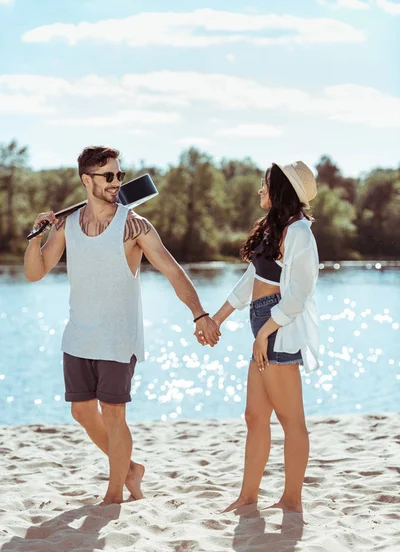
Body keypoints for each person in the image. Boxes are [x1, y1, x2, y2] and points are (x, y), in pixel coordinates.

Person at [24, 145, 221, 505]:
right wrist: (37, 235)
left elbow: (172, 270)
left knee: (114, 415)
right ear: (87, 180)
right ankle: (129, 468)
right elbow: (35, 273)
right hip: (78, 335)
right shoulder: (68, 225)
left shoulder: (134, 225)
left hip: (117, 337)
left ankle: (115, 492)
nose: (116, 182)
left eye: (120, 175)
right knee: (81, 411)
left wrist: (199, 313)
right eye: (108, 176)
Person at [208, 160, 320, 513]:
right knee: (255, 417)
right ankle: (248, 496)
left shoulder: (300, 232)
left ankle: (292, 500)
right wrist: (217, 319)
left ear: (281, 189)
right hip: (264, 323)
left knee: (291, 421)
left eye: (265, 183)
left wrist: (265, 334)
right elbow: (251, 283)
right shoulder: (278, 228)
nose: (260, 189)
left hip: (278, 328)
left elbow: (299, 294)